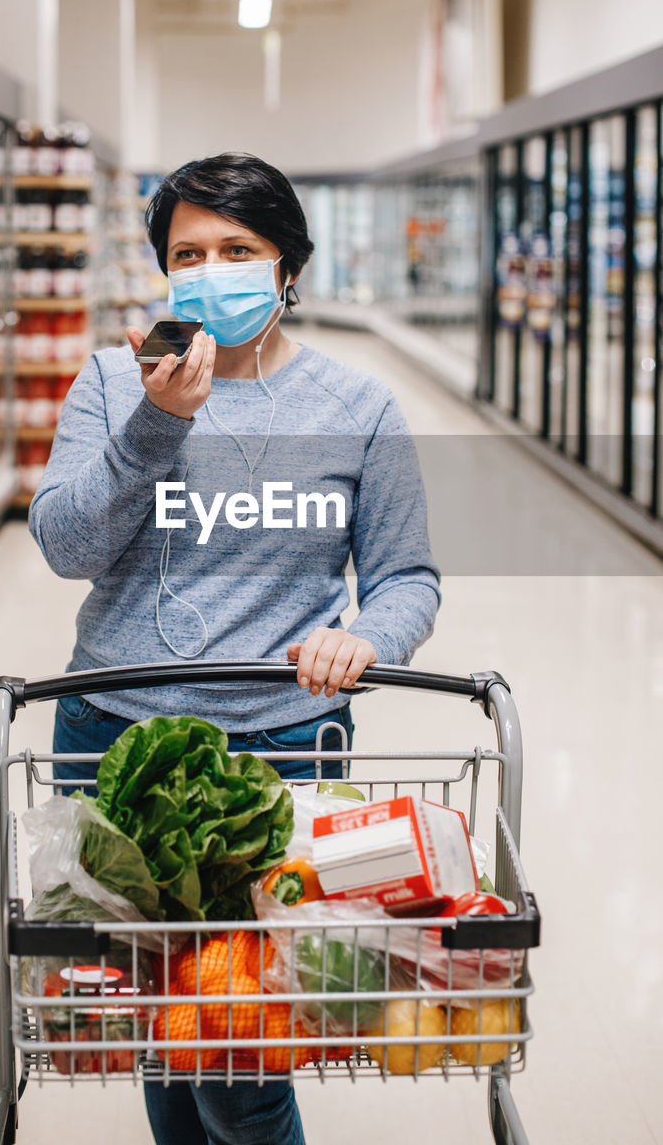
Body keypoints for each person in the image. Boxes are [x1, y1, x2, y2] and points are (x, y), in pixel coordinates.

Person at [28, 151, 441, 1145]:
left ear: (287, 264)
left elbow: (406, 578)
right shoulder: (107, 383)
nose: (209, 270)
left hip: (279, 755)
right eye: (187, 253)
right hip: (116, 743)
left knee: (236, 1052)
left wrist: (365, 633)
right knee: (158, 1029)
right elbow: (64, 545)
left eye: (237, 249)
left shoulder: (360, 411)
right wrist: (153, 425)